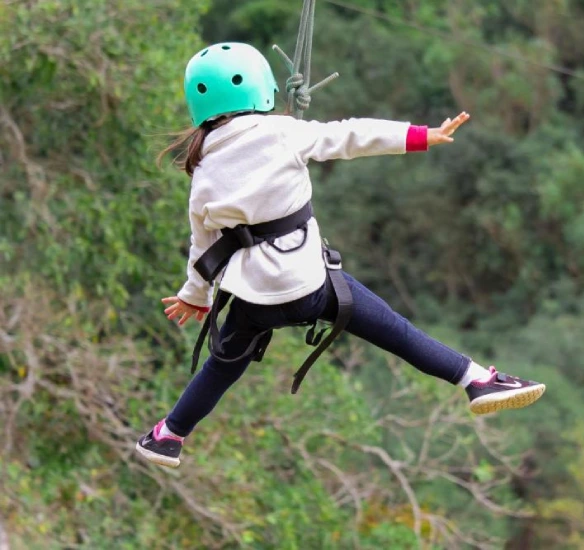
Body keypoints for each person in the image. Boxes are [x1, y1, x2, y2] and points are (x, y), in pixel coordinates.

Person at [136, 42, 545, 468]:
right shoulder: (283, 133)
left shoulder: (202, 171)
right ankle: (476, 379)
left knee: (222, 367)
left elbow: (202, 247)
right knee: (395, 331)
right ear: (261, 87)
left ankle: (168, 436)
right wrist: (421, 135)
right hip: (309, 285)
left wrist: (194, 297)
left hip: (254, 299)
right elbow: (351, 135)